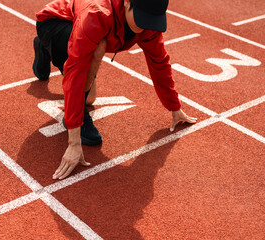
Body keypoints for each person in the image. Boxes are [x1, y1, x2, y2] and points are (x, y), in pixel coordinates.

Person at [33, 0, 197, 180]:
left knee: (89, 99)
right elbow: (75, 72)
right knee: (98, 48)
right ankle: (46, 45)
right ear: (127, 2)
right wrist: (74, 141)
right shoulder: (96, 15)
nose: (144, 27)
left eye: (152, 20)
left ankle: (43, 49)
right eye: (142, 19)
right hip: (55, 23)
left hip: (82, 28)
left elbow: (159, 62)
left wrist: (175, 107)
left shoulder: (148, 25)